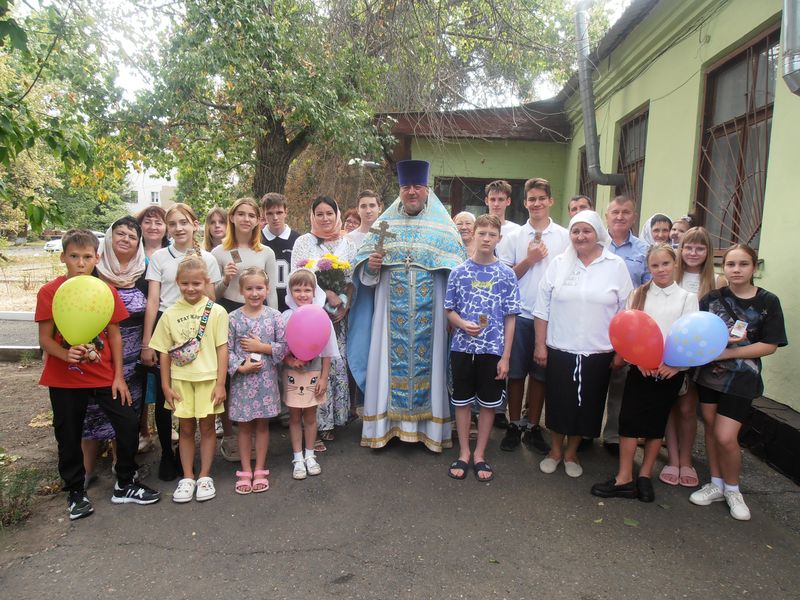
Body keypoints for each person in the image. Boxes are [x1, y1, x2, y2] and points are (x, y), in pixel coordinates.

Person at [36, 229, 161, 520]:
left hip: (103, 375)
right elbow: (45, 339)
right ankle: (75, 492)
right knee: (69, 434)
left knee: (127, 422)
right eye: (74, 256)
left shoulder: (105, 290)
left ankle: (125, 482)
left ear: (97, 258)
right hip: (64, 379)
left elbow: (114, 336)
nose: (80, 263)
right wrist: (65, 354)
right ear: (63, 257)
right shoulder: (50, 292)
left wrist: (118, 377)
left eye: (87, 257)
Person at [348, 159, 466, 452]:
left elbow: (457, 274)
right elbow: (365, 277)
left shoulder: (444, 228)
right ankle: (384, 429)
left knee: (432, 365)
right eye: (406, 187)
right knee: (386, 365)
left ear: (426, 189)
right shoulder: (383, 225)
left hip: (431, 315)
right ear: (400, 190)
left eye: (417, 186)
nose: (412, 192)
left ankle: (430, 431)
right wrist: (372, 267)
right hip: (389, 316)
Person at [591, 244, 698, 502]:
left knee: (655, 425)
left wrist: (676, 365)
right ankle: (624, 477)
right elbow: (629, 331)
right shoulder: (638, 294)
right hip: (640, 370)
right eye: (654, 265)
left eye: (666, 264)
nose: (661, 269)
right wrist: (637, 360)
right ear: (648, 267)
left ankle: (645, 476)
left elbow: (689, 336)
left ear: (675, 264)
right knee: (629, 422)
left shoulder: (687, 298)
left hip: (669, 372)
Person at [690, 244, 787, 521]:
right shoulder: (712, 299)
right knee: (711, 429)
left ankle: (733, 489)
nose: (736, 269)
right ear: (724, 267)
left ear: (754, 267)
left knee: (726, 436)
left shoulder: (768, 302)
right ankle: (716, 484)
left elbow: (770, 345)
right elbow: (698, 333)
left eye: (743, 264)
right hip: (709, 376)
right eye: (731, 264)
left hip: (742, 379)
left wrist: (729, 353)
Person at [533, 211, 633, 478]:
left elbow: (625, 311)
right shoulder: (559, 263)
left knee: (587, 405)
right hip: (560, 347)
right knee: (559, 403)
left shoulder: (615, 265)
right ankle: (555, 451)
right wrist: (540, 345)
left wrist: (621, 351)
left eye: (586, 231)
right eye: (575, 231)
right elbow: (542, 308)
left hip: (598, 351)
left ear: (597, 233)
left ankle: (572, 453)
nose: (580, 236)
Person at [140, 203, 222, 481]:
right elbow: (153, 300)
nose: (178, 228)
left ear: (194, 225)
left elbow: (212, 298)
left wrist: (200, 269)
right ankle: (168, 453)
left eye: (183, 222)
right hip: (167, 325)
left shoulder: (207, 258)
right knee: (168, 396)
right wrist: (147, 343)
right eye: (172, 223)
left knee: (200, 396)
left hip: (198, 328)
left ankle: (199, 463)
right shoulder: (160, 257)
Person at [148, 255, 229, 503]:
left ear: (206, 282)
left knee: (207, 428)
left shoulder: (217, 311)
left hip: (208, 380)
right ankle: (187, 476)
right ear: (177, 283)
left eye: (196, 283)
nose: (190, 288)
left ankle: (204, 475)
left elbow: (222, 348)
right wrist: (165, 385)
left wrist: (220, 383)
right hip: (180, 381)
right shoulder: (169, 314)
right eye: (185, 283)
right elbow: (163, 352)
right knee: (184, 429)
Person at [445, 214, 520, 481]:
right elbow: (449, 310)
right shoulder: (459, 272)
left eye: (492, 234)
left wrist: (506, 356)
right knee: (462, 402)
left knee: (488, 404)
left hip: (493, 351)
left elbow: (511, 317)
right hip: (463, 349)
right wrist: (462, 323)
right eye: (482, 233)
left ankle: (480, 454)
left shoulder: (507, 274)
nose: (486, 239)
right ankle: (464, 451)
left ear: (499, 238)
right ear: (473, 234)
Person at [497, 177, 569, 453]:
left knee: (541, 375)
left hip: (550, 317)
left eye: (541, 198)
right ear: (525, 203)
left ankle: (533, 426)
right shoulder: (514, 237)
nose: (536, 203)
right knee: (516, 374)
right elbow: (505, 279)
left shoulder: (564, 237)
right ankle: (515, 424)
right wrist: (529, 260)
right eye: (531, 199)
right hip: (520, 314)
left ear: (550, 201)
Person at [83, 218, 149, 488]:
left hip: (133, 360)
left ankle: (121, 466)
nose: (125, 239)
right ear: (109, 238)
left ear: (138, 244)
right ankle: (85, 472)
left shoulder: (143, 273)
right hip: (97, 356)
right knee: (92, 412)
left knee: (127, 414)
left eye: (132, 237)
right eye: (120, 234)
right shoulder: (94, 271)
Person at [660, 226, 726, 487]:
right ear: (680, 249)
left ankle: (686, 460)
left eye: (700, 248)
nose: (693, 252)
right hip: (670, 352)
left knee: (688, 409)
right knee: (669, 406)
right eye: (688, 247)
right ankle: (672, 458)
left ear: (708, 252)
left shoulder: (717, 281)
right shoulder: (670, 275)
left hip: (700, 358)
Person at [291, 196, 356, 448]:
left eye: (330, 213)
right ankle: (314, 424)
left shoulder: (347, 244)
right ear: (313, 216)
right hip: (312, 317)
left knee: (336, 366)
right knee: (314, 367)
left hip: (338, 317)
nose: (325, 218)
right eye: (320, 214)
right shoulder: (303, 242)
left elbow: (351, 281)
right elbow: (298, 278)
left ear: (337, 214)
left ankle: (332, 422)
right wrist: (325, 294)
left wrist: (345, 305)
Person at [227, 267, 286, 494]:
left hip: (266, 380)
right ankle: (245, 469)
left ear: (267, 289)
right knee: (244, 426)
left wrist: (262, 347)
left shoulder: (275, 316)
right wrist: (240, 367)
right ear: (241, 291)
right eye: (249, 288)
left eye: (259, 288)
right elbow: (226, 349)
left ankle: (260, 468)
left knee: (262, 424)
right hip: (243, 382)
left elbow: (284, 347)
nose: (254, 293)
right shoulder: (233, 318)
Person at [601, 196, 651, 454]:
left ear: (634, 216)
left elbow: (649, 288)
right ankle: (586, 432)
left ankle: (612, 435)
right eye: (615, 212)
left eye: (626, 212)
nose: (620, 217)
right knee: (594, 381)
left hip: (628, 327)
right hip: (597, 323)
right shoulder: (596, 243)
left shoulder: (644, 250)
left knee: (620, 383)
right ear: (606, 215)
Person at [281, 269, 338, 479]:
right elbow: (280, 348)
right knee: (295, 416)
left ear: (315, 291)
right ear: (290, 292)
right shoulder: (286, 317)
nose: (303, 294)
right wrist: (290, 361)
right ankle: (297, 457)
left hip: (314, 371)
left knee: (311, 416)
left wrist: (323, 377)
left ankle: (310, 454)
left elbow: (328, 351)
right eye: (297, 290)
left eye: (307, 290)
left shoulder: (321, 316)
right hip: (292, 372)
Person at [212, 197, 279, 312]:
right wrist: (225, 280)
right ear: (232, 217)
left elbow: (271, 293)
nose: (246, 219)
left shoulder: (267, 253)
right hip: (227, 311)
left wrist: (274, 318)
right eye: (241, 214)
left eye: (251, 216)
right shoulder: (218, 252)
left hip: (258, 312)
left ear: (257, 220)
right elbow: (212, 296)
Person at [260, 192, 300, 313]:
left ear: (286, 212)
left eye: (279, 212)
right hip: (263, 304)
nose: (275, 217)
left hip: (292, 305)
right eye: (270, 213)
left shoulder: (297, 240)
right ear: (263, 214)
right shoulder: (257, 240)